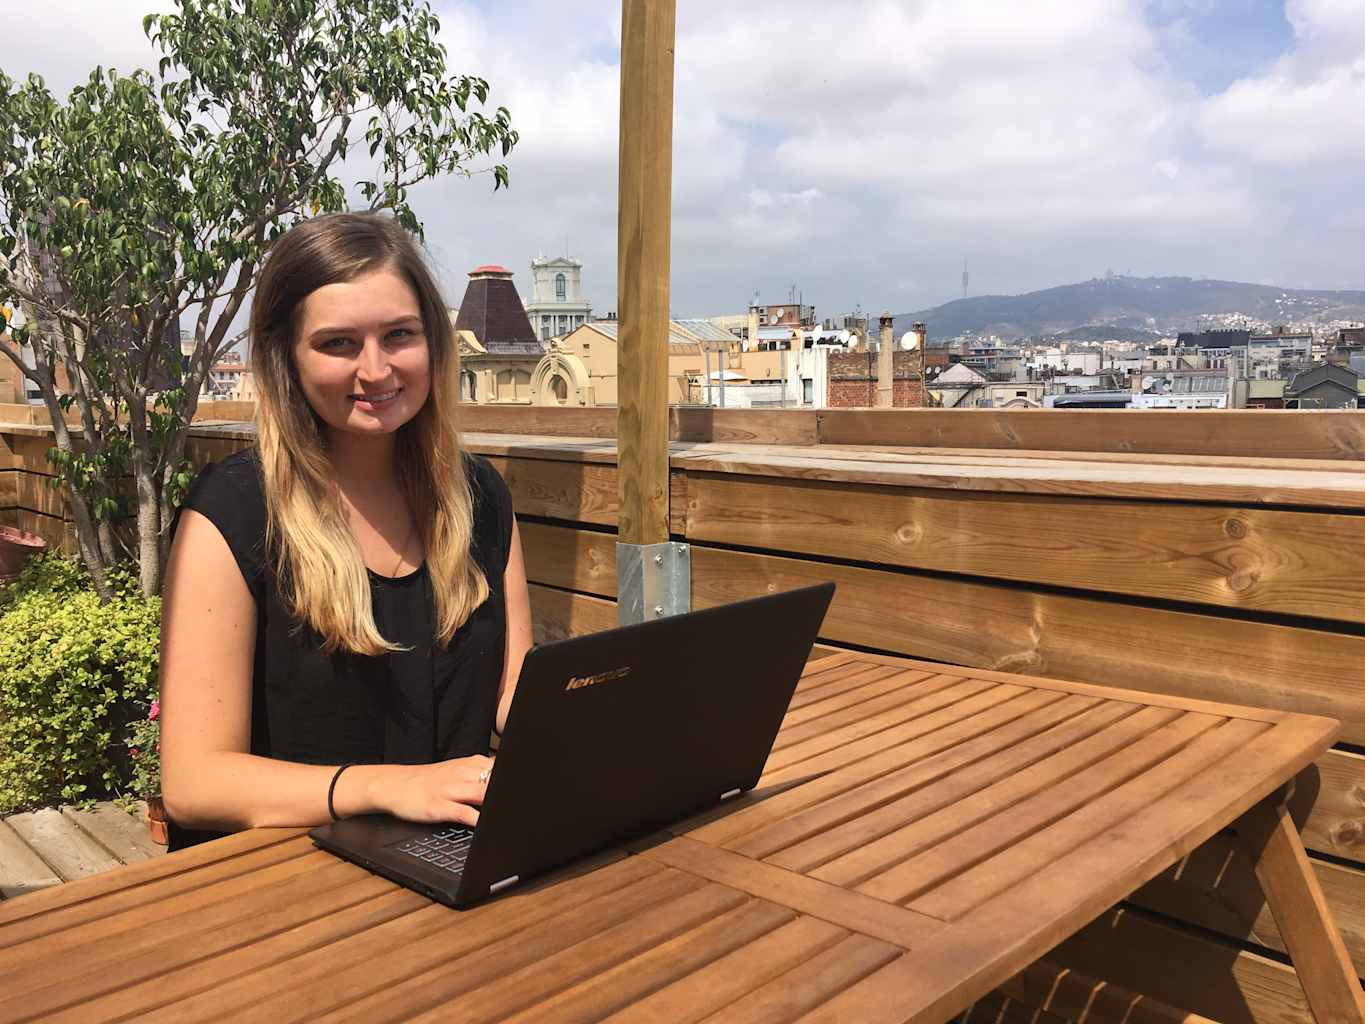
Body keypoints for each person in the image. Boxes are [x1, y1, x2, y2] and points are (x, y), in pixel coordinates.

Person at [158, 212, 532, 851]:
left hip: (452, 864)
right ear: (287, 358)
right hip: (289, 886)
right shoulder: (234, 512)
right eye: (337, 344)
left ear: (435, 343)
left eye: (399, 335)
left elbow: (515, 699)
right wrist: (388, 788)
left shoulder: (480, 497)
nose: (376, 369)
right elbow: (193, 782)